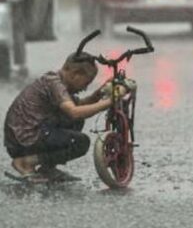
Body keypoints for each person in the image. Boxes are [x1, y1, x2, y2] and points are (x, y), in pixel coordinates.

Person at [3, 51, 113, 183]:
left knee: (76, 121)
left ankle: (47, 168)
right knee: (81, 142)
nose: (85, 87)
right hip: (24, 140)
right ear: (75, 74)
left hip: (23, 137)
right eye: (86, 82)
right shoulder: (55, 84)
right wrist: (108, 103)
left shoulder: (56, 80)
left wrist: (99, 93)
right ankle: (26, 162)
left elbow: (79, 106)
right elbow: (75, 111)